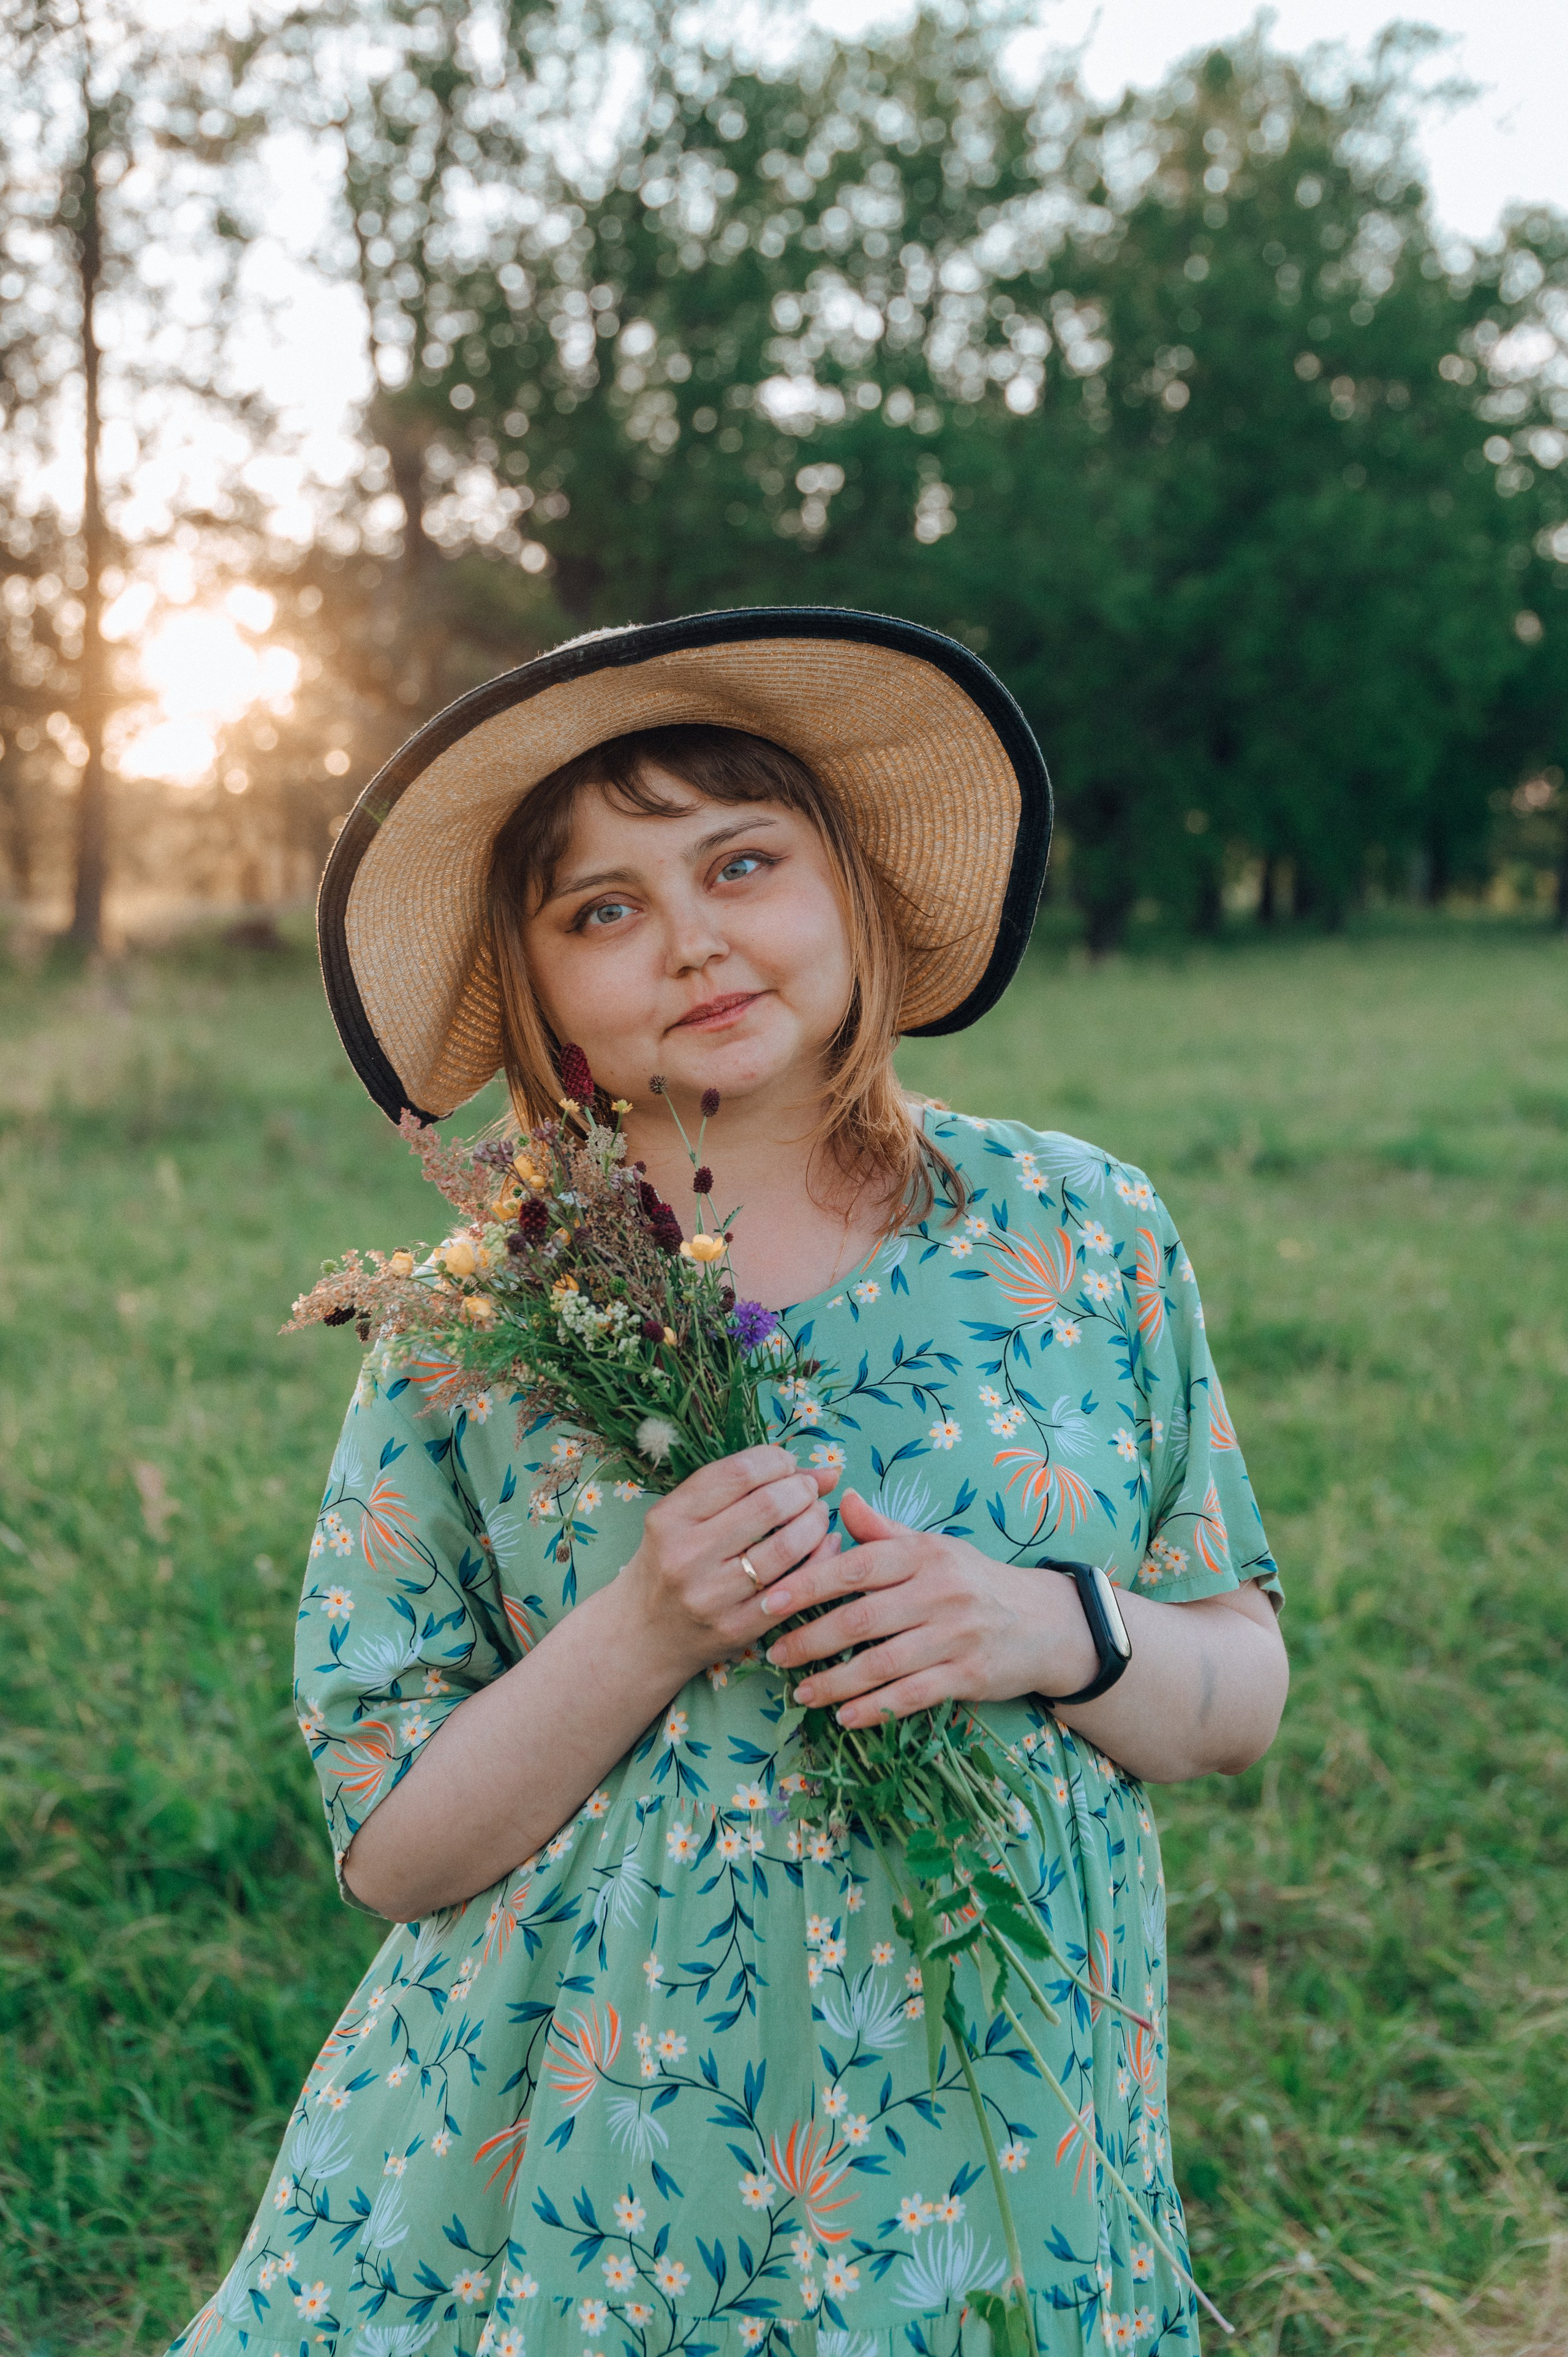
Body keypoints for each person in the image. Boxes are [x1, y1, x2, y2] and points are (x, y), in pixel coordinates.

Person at [171, 610, 1287, 2357]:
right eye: (600, 909)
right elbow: (394, 1844)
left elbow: (1241, 1689)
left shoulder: (1081, 1231)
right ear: (537, 995)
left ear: (851, 889)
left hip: (993, 2140)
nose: (689, 938)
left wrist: (1055, 1627)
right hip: (599, 2172)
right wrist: (646, 1624)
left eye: (740, 863)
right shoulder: (483, 1325)